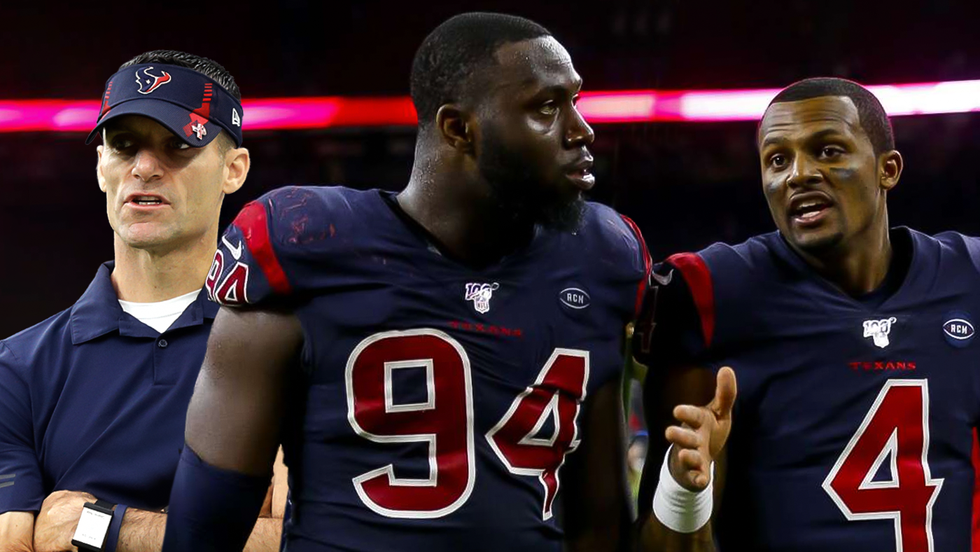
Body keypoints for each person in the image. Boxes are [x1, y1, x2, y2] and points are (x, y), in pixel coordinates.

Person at [161, 12, 649, 552]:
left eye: (574, 101)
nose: (581, 129)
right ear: (458, 129)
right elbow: (204, 526)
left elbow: (599, 526)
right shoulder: (305, 242)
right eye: (546, 107)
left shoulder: (602, 258)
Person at [635, 77, 980, 551]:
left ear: (888, 169)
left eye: (829, 151)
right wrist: (683, 485)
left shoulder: (970, 278)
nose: (799, 174)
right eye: (778, 159)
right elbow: (660, 546)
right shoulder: (715, 293)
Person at [0, 50, 286, 552]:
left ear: (233, 169)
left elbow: (303, 541)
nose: (145, 167)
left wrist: (99, 528)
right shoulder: (15, 369)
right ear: (100, 166)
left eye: (178, 145)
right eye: (124, 145)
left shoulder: (293, 344)